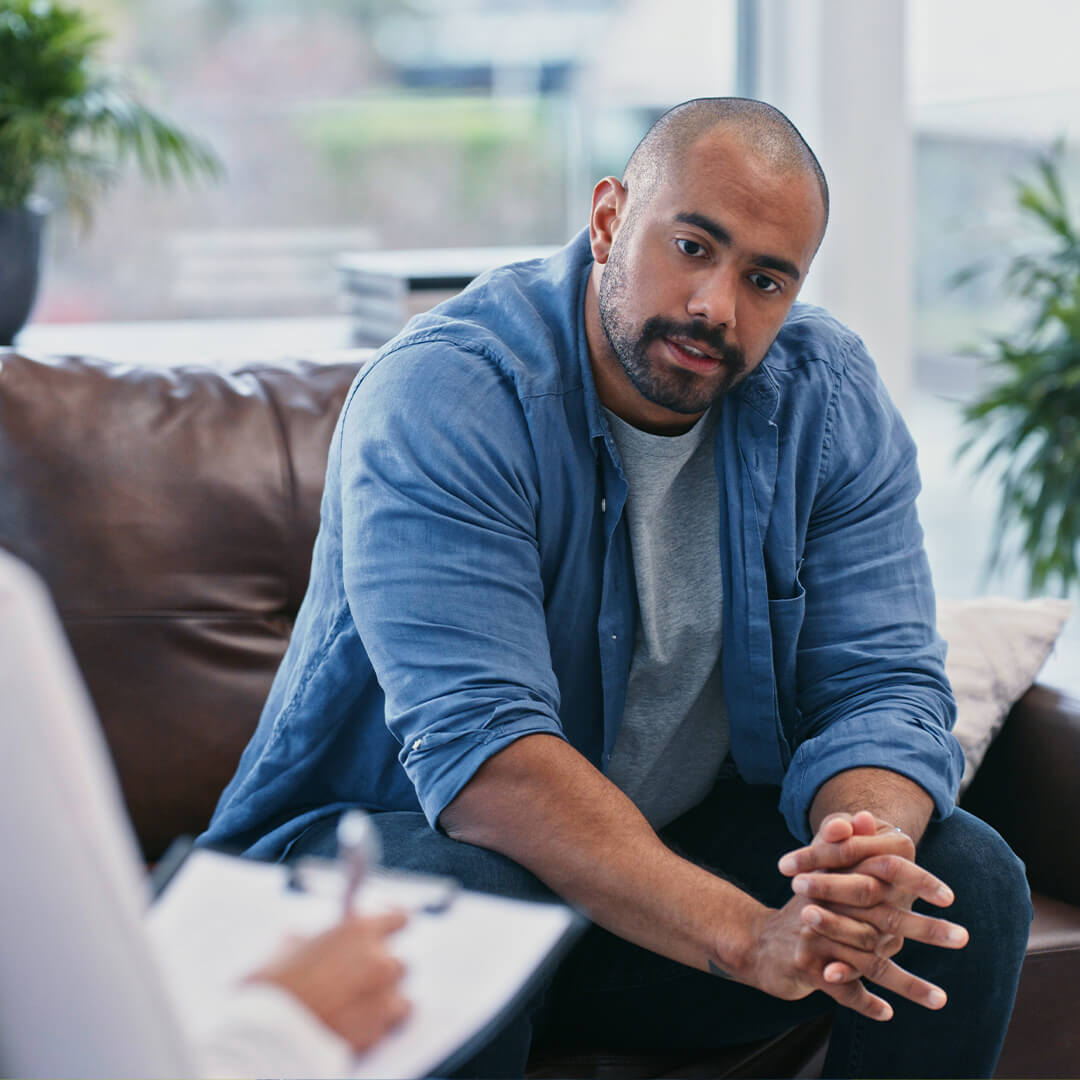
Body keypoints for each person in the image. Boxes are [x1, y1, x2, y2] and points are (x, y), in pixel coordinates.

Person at [200, 98, 1031, 1078]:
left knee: (958, 880)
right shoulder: (449, 395)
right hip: (379, 881)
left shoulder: (827, 400)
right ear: (608, 220)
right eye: (692, 246)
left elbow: (882, 687)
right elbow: (492, 766)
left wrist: (863, 863)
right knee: (456, 894)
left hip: (646, 892)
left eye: (765, 280)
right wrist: (748, 936)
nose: (717, 306)